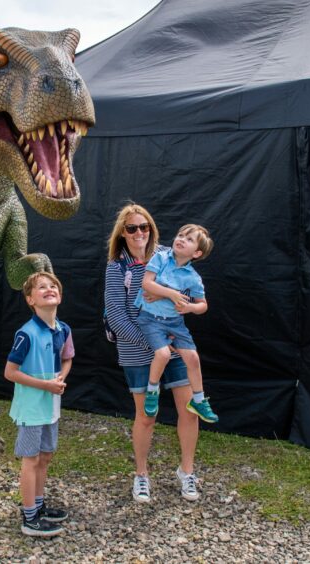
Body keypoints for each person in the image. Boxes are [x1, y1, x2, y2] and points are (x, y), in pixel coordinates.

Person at [104, 203, 201, 502]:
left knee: (190, 410)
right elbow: (117, 317)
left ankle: (187, 471)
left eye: (143, 227)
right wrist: (155, 345)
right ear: (122, 232)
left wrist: (182, 304)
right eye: (132, 228)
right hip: (139, 350)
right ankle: (141, 475)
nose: (139, 233)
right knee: (147, 415)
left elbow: (188, 292)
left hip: (173, 344)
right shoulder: (116, 267)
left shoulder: (166, 257)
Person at [4, 271, 74, 537]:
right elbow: (10, 372)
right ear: (31, 300)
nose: (49, 288)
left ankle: (39, 505)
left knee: (45, 457)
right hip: (32, 408)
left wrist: (60, 378)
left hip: (51, 406)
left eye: (53, 285)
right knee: (31, 459)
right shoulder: (26, 334)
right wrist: (46, 385)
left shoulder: (63, 329)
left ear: (60, 294)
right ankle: (29, 518)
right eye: (41, 287)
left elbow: (67, 358)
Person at [134, 224, 218, 424]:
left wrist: (191, 308)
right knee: (162, 354)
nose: (181, 239)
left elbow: (203, 305)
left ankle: (198, 400)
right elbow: (146, 284)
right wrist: (171, 294)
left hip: (175, 323)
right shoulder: (161, 258)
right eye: (180, 235)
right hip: (151, 319)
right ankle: (152, 390)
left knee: (193, 358)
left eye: (189, 239)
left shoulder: (193, 278)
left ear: (197, 253)